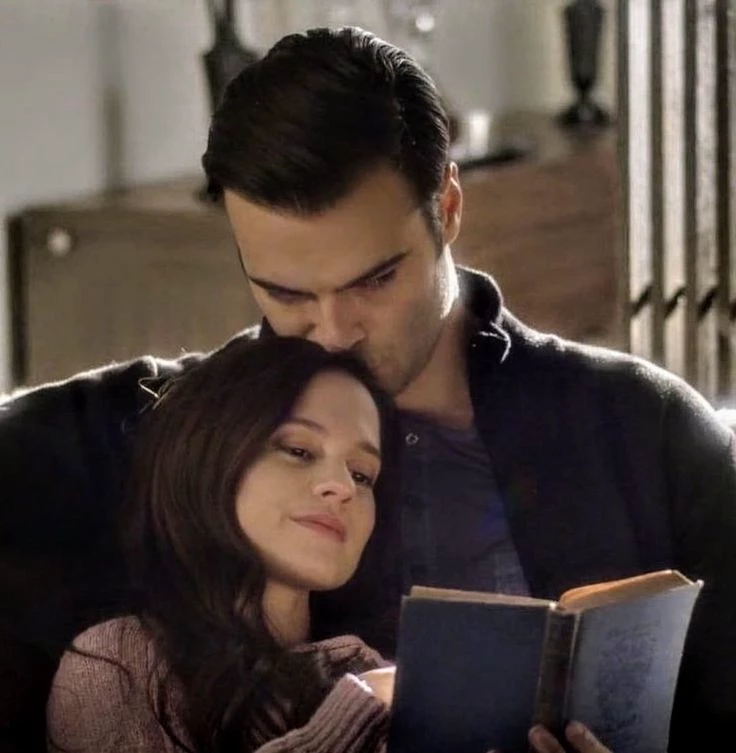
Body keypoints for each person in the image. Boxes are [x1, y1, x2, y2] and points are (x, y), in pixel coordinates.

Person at [0, 24, 733, 752]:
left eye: (374, 280)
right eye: (286, 294)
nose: (332, 333)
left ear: (447, 208)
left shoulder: (644, 428)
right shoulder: (163, 431)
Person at [45, 335, 610, 753]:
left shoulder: (387, 671)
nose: (341, 487)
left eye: (363, 475)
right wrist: (359, 711)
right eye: (298, 450)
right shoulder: (118, 664)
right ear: (206, 456)